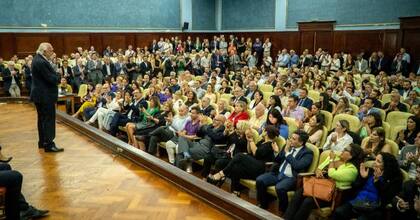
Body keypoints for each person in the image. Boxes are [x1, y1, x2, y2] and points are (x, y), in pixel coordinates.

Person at [284, 144, 364, 220]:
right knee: (298, 193)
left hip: (331, 194)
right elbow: (319, 167)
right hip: (319, 186)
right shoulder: (336, 158)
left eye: (346, 150)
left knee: (308, 201)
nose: (342, 150)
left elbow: (332, 174)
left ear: (351, 155)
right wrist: (318, 171)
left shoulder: (352, 169)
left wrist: (331, 160)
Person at [207, 125, 279, 196]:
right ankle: (235, 191)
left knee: (240, 155)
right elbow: (250, 151)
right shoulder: (262, 141)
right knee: (236, 168)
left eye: (263, 130)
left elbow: (256, 153)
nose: (262, 131)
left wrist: (251, 141)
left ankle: (221, 174)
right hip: (254, 165)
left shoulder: (270, 144)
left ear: (266, 133)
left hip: (261, 168)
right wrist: (249, 140)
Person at [255, 130, 314, 213]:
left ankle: (283, 211)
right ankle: (264, 205)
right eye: (290, 138)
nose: (290, 140)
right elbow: (277, 160)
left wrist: (287, 153)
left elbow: (298, 166)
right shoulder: (287, 146)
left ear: (301, 143)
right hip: (278, 173)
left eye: (293, 139)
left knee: (280, 188)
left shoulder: (307, 153)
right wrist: (277, 152)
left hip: (291, 177)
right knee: (260, 180)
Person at [332, 152, 403, 220]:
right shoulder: (370, 171)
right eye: (375, 159)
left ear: (386, 164)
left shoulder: (394, 179)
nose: (374, 162)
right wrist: (362, 178)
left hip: (374, 207)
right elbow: (355, 186)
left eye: (378, 161)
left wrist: (377, 181)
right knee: (339, 212)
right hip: (358, 202)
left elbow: (387, 197)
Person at [30, 42, 63, 152]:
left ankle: (42, 142)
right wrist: (58, 75)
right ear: (44, 51)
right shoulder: (41, 61)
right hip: (45, 96)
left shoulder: (37, 59)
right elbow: (52, 79)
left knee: (42, 119)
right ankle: (49, 144)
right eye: (51, 50)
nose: (53, 52)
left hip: (40, 95)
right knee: (48, 120)